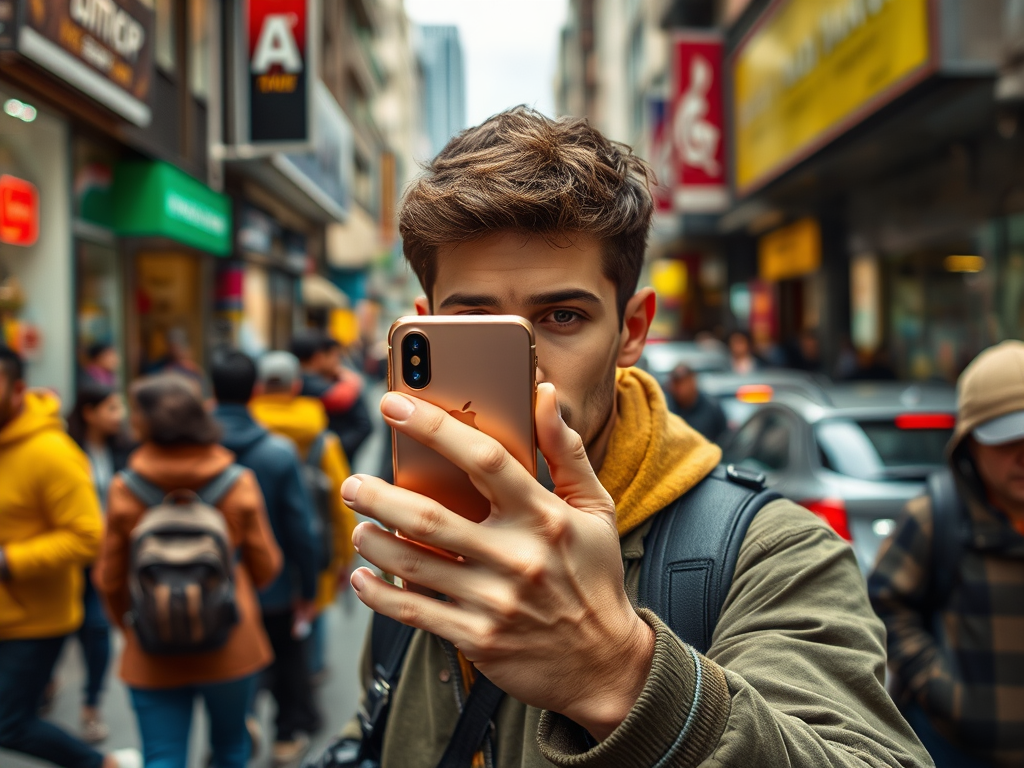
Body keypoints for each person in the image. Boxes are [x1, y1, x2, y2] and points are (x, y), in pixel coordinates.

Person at [324, 108, 929, 766]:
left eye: (561, 316)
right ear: (425, 326)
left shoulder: (771, 555)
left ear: (632, 330)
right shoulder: (415, 544)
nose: (524, 362)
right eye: (475, 321)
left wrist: (620, 674)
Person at [92, 374, 282, 768]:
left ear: (144, 424)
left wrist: (130, 624)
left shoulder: (125, 488)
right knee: (232, 748)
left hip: (151, 647)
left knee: (162, 756)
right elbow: (267, 567)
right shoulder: (237, 482)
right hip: (231, 642)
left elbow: (109, 578)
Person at [870, 339, 1024, 766]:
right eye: (1007, 439)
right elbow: (881, 606)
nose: (1022, 455)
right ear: (969, 443)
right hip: (954, 751)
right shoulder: (934, 518)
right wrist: (943, 690)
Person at [0, 345, 140, 768]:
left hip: (34, 620)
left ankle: (102, 764)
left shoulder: (53, 452)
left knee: (9, 723)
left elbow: (86, 537)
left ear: (18, 388)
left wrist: (8, 560)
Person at [210, 351, 323, 765]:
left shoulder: (196, 449)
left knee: (226, 657)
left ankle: (239, 723)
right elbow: (301, 530)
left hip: (212, 585)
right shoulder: (277, 452)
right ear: (254, 391)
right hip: (272, 585)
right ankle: (285, 737)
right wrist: (308, 590)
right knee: (287, 663)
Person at [249, 352, 356, 686]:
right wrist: (344, 556)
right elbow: (341, 502)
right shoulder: (321, 439)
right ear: (296, 386)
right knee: (313, 612)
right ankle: (311, 673)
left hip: (257, 549)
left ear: (259, 388)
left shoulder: (247, 432)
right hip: (313, 546)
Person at [66, 381, 132, 744]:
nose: (119, 416)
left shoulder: (124, 449)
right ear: (88, 412)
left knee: (96, 630)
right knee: (62, 630)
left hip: (106, 557)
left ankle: (91, 705)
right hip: (71, 557)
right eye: (111, 408)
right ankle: (45, 683)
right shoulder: (66, 450)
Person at [290, 331, 373, 464]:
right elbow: (363, 424)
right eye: (336, 356)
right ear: (319, 357)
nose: (338, 362)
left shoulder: (291, 382)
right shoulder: (324, 386)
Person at [664, 364, 727, 443]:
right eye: (676, 383)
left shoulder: (712, 406)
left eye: (683, 382)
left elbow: (724, 438)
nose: (680, 389)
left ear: (693, 381)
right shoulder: (665, 408)